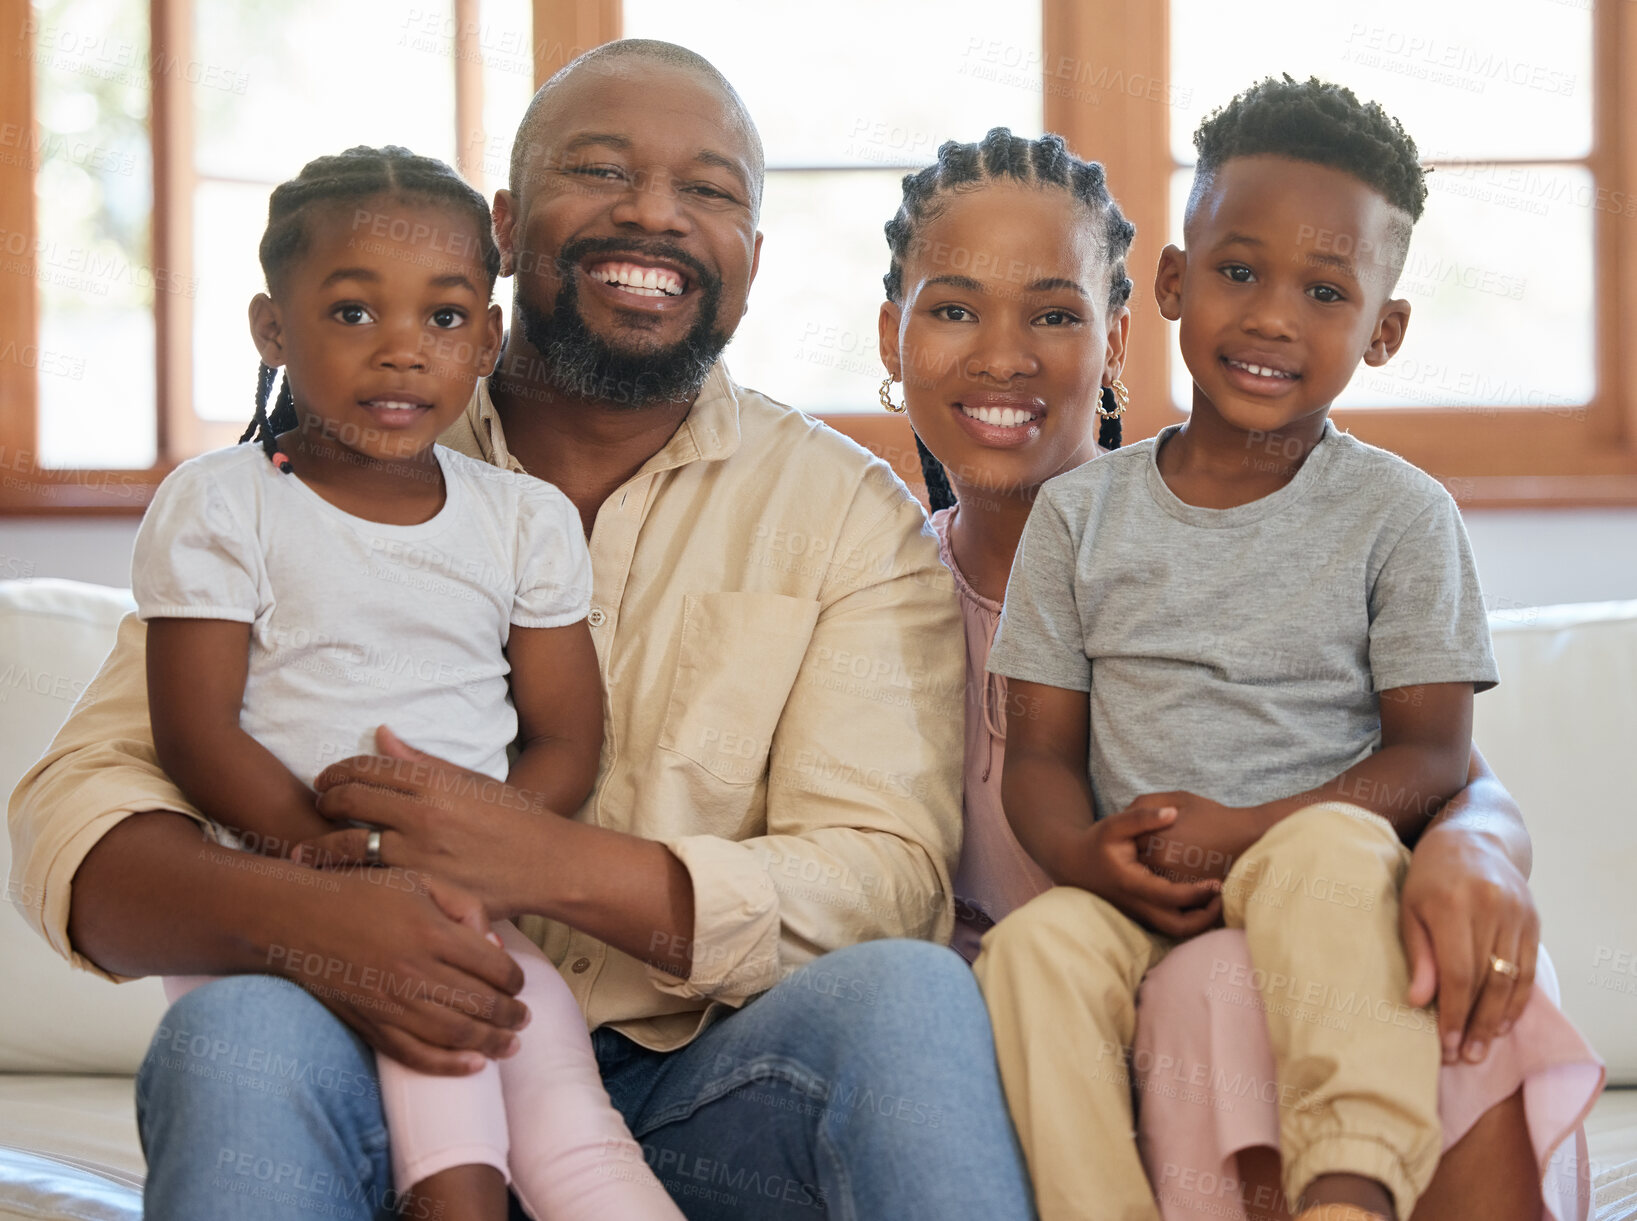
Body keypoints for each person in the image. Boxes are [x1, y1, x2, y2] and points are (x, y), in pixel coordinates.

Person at [8, 41, 1034, 1221]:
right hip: (361, 1054)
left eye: (708, 190)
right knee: (235, 1029)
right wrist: (327, 913)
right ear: (503, 224)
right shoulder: (309, 472)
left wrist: (541, 861)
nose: (652, 213)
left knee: (909, 996)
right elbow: (75, 820)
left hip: (699, 1089)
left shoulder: (846, 517)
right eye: (598, 170)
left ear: (753, 255)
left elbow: (882, 879)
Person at [873, 110, 1595, 1221]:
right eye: (1239, 272)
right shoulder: (986, 554)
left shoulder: (1393, 513)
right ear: (1176, 284)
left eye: (1054, 312)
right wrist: (1089, 856)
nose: (1267, 316)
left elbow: (1438, 758)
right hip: (1116, 904)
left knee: (1329, 862)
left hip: (1314, 873)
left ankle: (1348, 1185)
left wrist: (1471, 843)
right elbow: (1043, 763)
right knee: (1034, 953)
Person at [134, 144, 683, 1221]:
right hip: (280, 923)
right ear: (271, 329)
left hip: (471, 913)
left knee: (582, 1148)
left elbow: (566, 738)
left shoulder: (519, 520)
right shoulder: (222, 503)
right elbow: (196, 734)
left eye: (441, 318)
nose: (399, 351)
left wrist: (468, 866)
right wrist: (340, 872)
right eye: (350, 315)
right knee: (459, 1161)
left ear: (486, 337)